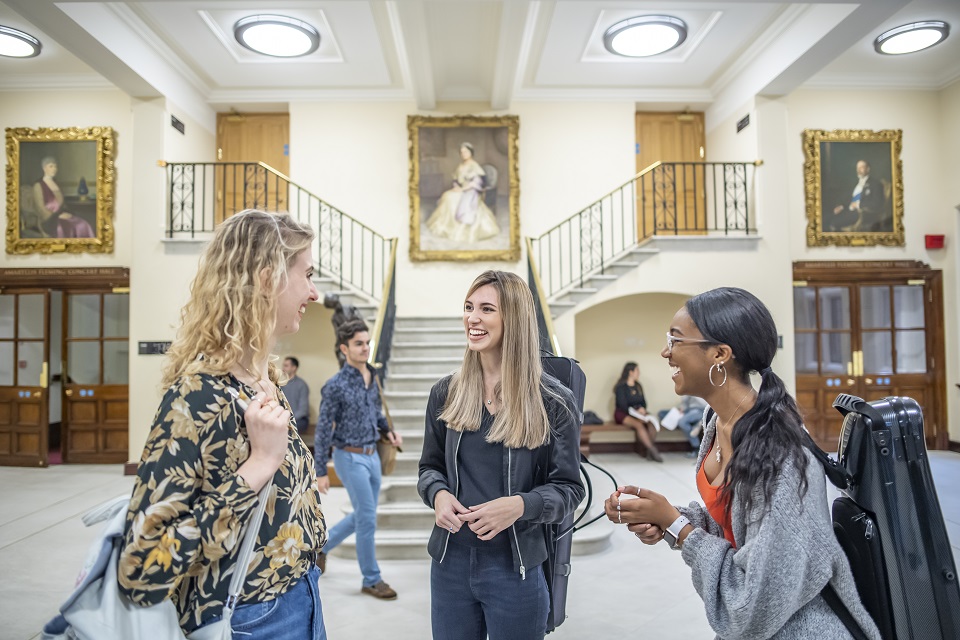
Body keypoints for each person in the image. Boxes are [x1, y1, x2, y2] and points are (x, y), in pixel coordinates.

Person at [604, 287, 881, 640]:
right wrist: (659, 514)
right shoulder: (716, 421)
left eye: (675, 340)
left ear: (720, 354)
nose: (665, 352)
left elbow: (752, 610)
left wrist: (677, 527)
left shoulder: (782, 456)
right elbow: (737, 525)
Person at [118, 210, 328, 639]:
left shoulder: (264, 380)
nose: (315, 292)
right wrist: (258, 466)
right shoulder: (197, 395)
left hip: (301, 599)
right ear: (268, 279)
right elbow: (142, 567)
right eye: (306, 274)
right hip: (249, 621)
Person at [418, 270, 585, 640]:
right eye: (468, 307)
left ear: (514, 319)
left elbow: (570, 488)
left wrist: (520, 506)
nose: (472, 318)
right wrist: (439, 495)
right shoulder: (445, 393)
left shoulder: (554, 402)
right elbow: (429, 468)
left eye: (486, 309)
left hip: (515, 568)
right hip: (451, 563)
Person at [314, 318, 403, 599]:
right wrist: (320, 471)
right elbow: (322, 430)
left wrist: (388, 432)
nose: (365, 348)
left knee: (363, 515)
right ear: (344, 348)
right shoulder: (335, 385)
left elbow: (376, 412)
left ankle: (322, 547)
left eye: (367, 343)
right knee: (367, 519)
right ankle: (371, 579)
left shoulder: (372, 375)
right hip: (349, 458)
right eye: (358, 344)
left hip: (372, 456)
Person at [426, 142, 500, 244]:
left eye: (466, 152)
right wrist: (457, 187)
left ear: (471, 153)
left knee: (452, 199)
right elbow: (456, 179)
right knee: (447, 195)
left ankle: (460, 227)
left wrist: (462, 189)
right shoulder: (460, 165)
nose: (463, 154)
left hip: (471, 191)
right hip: (461, 189)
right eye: (462, 152)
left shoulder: (474, 165)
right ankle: (447, 226)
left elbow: (477, 182)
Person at [30, 156, 95, 238]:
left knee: (83, 224)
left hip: (61, 215)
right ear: (44, 168)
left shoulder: (56, 183)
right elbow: (40, 208)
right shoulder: (38, 185)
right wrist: (57, 216)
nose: (54, 169)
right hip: (49, 220)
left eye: (55, 166)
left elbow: (62, 204)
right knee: (71, 227)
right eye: (51, 166)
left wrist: (66, 213)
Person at [613, 362, 663, 462]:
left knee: (651, 423)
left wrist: (642, 409)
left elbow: (643, 402)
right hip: (623, 413)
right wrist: (636, 412)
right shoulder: (621, 387)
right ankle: (652, 450)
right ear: (630, 372)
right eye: (637, 371)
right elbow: (622, 405)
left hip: (638, 413)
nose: (639, 373)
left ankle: (647, 451)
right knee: (639, 425)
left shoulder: (638, 385)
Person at [830, 159, 888, 233]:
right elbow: (850, 198)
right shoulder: (855, 183)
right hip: (848, 210)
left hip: (862, 214)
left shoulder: (876, 184)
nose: (858, 170)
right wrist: (841, 206)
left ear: (868, 169)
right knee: (829, 218)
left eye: (861, 167)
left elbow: (877, 203)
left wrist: (858, 204)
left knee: (834, 223)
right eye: (857, 168)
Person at [323, 292, 363, 367]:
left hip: (356, 336)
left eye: (336, 303)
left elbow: (360, 323)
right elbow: (338, 333)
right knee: (340, 354)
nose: (336, 306)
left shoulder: (351, 309)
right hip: (345, 340)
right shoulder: (335, 318)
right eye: (333, 305)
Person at [282, 356, 311, 432]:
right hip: (284, 418)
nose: (283, 368)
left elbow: (303, 410)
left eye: (286, 366)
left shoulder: (302, 385)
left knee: (287, 428)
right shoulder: (281, 384)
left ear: (294, 367)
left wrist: (289, 419)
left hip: (299, 420)